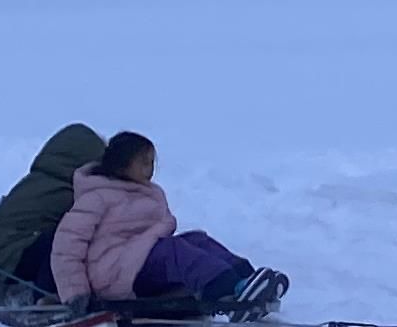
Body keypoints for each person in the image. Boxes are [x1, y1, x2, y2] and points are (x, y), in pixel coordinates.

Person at [49, 133, 281, 313]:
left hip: (140, 265)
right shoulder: (97, 197)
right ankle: (225, 288)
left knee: (196, 239)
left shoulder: (149, 193)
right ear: (121, 165)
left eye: (152, 163)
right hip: (112, 275)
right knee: (173, 250)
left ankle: (246, 279)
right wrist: (75, 293)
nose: (150, 169)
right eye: (143, 163)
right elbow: (66, 246)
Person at [0, 122, 104, 297]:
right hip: (2, 261)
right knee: (67, 239)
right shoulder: (65, 191)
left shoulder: (37, 182)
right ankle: (47, 297)